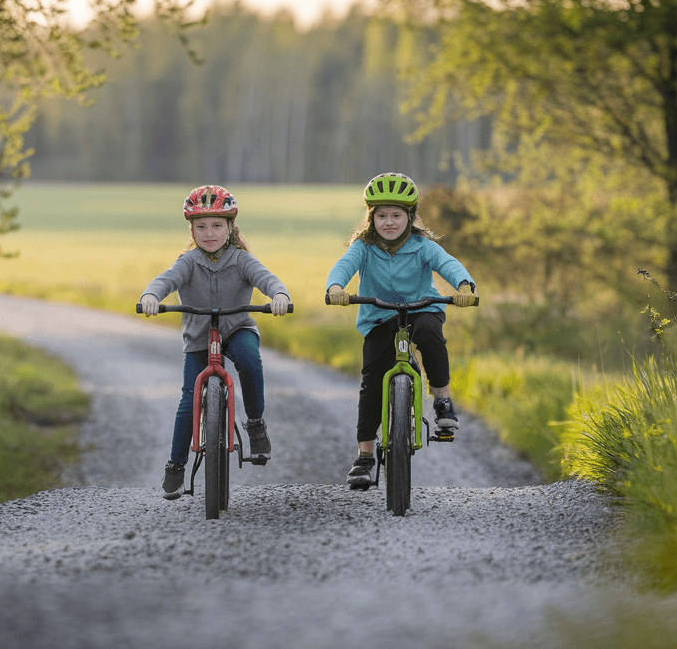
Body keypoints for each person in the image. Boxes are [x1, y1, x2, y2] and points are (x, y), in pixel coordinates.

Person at [325, 172, 478, 489]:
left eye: (397, 215)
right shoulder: (363, 247)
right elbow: (344, 265)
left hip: (423, 308)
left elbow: (448, 263)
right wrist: (337, 286)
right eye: (381, 216)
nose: (389, 222)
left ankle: (443, 401)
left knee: (430, 336)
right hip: (379, 317)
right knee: (371, 380)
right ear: (371, 218)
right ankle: (364, 456)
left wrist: (463, 285)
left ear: (411, 217)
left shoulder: (423, 246)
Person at [140, 185, 291, 500]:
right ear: (192, 230)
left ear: (231, 227)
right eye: (201, 226)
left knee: (250, 360)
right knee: (187, 400)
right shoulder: (189, 261)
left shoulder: (240, 260)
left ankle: (255, 424)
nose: (209, 233)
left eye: (217, 225)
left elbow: (267, 278)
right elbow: (165, 279)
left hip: (237, 327)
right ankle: (175, 466)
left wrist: (278, 295)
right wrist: (152, 295)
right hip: (199, 335)